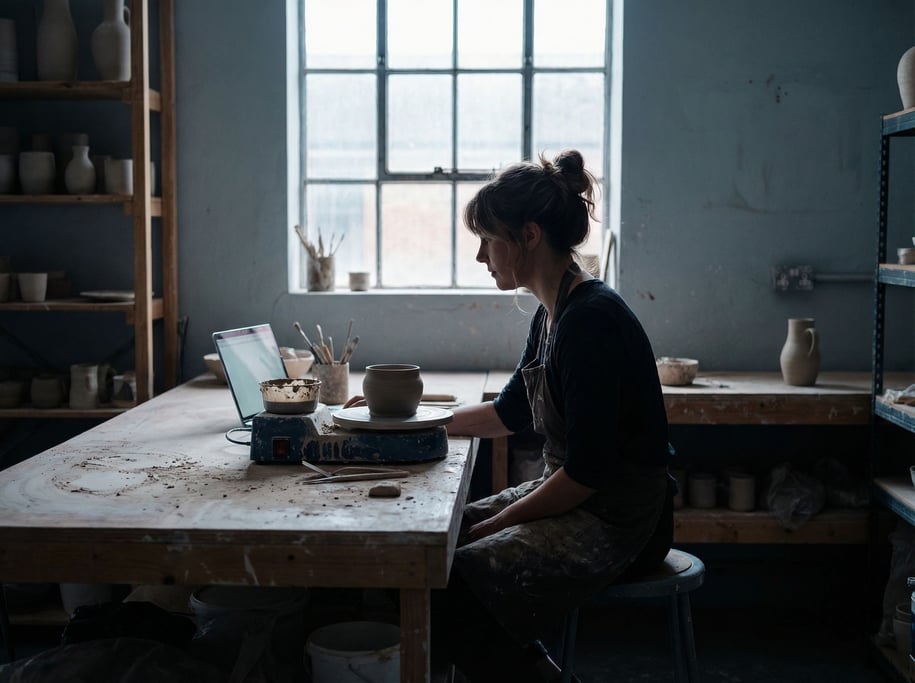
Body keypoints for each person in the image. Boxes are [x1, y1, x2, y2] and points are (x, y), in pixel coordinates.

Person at [435, 149, 674, 682]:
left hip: (619, 518)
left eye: (488, 240)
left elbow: (589, 472)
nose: (481, 258)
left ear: (529, 235)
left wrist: (498, 524)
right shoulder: (554, 310)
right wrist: (410, 421)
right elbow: (509, 412)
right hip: (577, 496)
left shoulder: (590, 321)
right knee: (438, 543)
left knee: (461, 574)